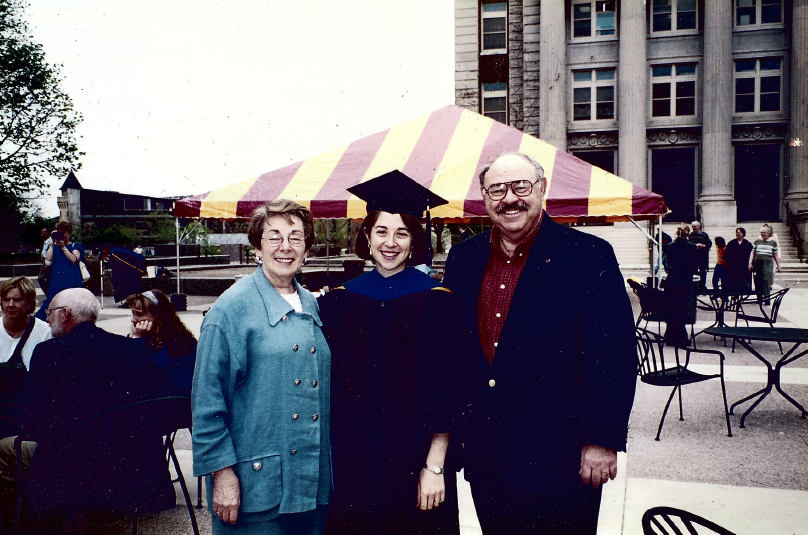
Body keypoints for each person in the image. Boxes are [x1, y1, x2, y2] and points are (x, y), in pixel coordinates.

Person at [442, 153, 637, 534]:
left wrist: (602, 440)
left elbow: (613, 358)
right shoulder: (464, 258)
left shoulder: (588, 255)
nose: (509, 198)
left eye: (521, 186)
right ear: (485, 197)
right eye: (497, 189)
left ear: (542, 189)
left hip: (561, 460)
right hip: (488, 459)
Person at [319, 170, 465, 535]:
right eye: (381, 231)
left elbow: (450, 389)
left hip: (416, 461)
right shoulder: (339, 302)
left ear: (414, 240)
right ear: (366, 237)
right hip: (353, 463)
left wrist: (435, 467)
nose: (390, 242)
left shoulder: (439, 303)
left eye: (402, 233)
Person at [192, 200, 331, 534]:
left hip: (308, 483)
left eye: (295, 238)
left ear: (307, 248)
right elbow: (207, 404)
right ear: (257, 247)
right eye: (274, 237)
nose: (286, 247)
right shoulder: (231, 309)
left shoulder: (309, 302)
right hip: (255, 489)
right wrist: (222, 475)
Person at [0, 288, 161, 525]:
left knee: (4, 447)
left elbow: (34, 423)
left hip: (67, 460)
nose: (46, 318)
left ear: (64, 314)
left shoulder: (48, 352)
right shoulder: (132, 349)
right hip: (124, 460)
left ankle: (24, 524)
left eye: (50, 312)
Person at [126, 289, 197, 397]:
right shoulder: (150, 336)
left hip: (171, 402)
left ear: (157, 316)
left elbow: (142, 373)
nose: (133, 319)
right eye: (133, 313)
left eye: (139, 314)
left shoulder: (174, 342)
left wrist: (137, 340)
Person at [34, 221, 85, 321]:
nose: (62, 235)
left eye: (64, 232)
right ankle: (44, 319)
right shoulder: (54, 247)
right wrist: (53, 244)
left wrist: (63, 247)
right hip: (56, 281)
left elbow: (74, 259)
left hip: (71, 280)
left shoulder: (76, 246)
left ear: (69, 233)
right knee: (51, 304)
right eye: (59, 232)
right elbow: (48, 260)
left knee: (72, 304)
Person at [1, 277, 52, 369]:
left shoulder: (45, 332)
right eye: (6, 299)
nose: (10, 305)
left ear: (30, 302)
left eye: (17, 300)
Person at [665, 224, 699, 347]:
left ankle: (670, 336)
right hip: (685, 281)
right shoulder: (692, 247)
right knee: (682, 308)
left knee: (671, 308)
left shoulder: (669, 247)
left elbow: (668, 264)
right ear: (687, 234)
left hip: (673, 279)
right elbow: (694, 266)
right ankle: (681, 337)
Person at [749, 223, 781, 304]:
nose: (763, 234)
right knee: (757, 280)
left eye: (764, 233)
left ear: (769, 233)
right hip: (757, 263)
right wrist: (750, 263)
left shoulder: (773, 243)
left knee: (766, 280)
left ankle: (767, 299)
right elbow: (753, 253)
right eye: (761, 233)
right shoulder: (757, 241)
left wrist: (778, 265)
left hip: (768, 263)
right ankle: (759, 298)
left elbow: (775, 255)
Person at [687, 221, 711, 290]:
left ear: (699, 227)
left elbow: (708, 244)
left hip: (702, 256)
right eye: (692, 226)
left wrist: (704, 246)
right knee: (694, 271)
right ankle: (696, 286)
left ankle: (702, 286)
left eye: (695, 226)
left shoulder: (704, 235)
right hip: (694, 256)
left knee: (703, 271)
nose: (693, 228)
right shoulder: (691, 235)